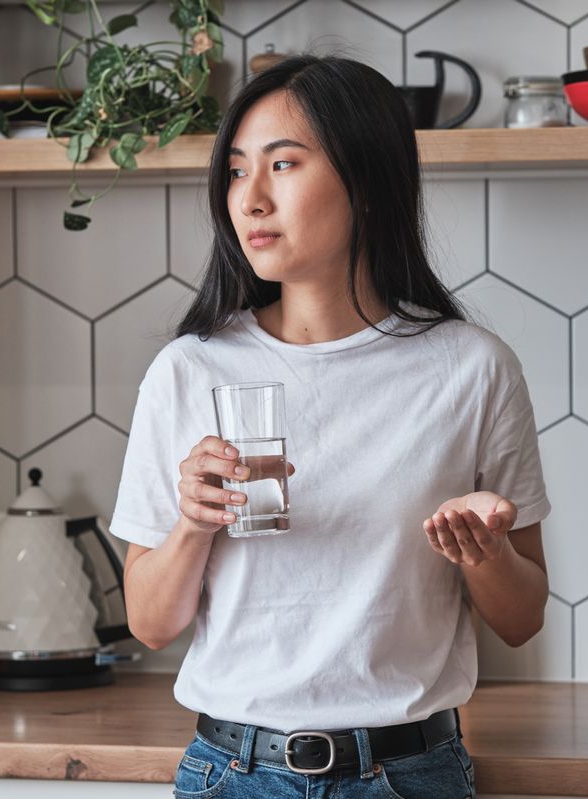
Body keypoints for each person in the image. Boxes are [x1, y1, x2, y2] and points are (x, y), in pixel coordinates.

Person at [110, 53, 551, 799]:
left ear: (368, 184)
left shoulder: (473, 368)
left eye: (282, 164)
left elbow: (522, 618)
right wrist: (192, 524)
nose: (250, 198)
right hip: (233, 775)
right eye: (237, 170)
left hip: (411, 775)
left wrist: (483, 552)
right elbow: (151, 624)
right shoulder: (189, 370)